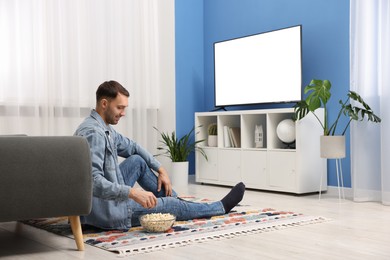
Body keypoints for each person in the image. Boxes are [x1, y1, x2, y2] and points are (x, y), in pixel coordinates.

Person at [74, 80, 245, 230]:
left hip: (105, 202)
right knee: (170, 205)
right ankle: (219, 207)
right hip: (107, 212)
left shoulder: (103, 128)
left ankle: (182, 204)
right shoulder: (94, 134)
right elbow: (94, 183)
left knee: (137, 161)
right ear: (104, 104)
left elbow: (133, 147)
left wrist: (160, 168)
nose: (123, 113)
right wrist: (133, 193)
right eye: (119, 107)